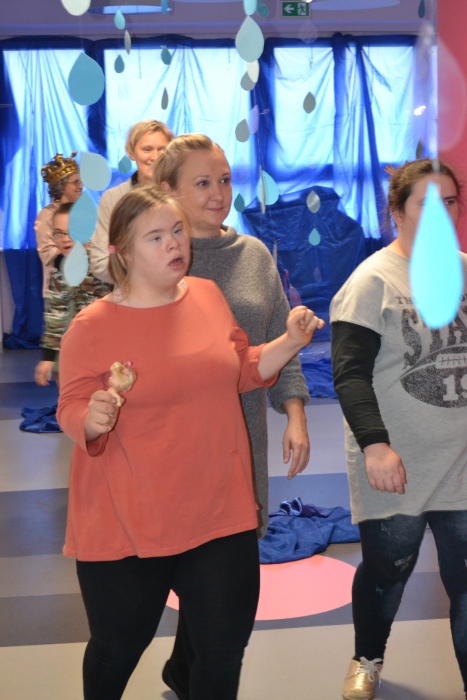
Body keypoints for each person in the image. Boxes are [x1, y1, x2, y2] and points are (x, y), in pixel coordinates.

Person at [56, 186, 324, 700]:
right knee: (116, 650)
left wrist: (290, 341)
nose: (175, 244)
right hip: (127, 520)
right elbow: (70, 405)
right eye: (155, 237)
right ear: (121, 252)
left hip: (219, 512)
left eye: (177, 231)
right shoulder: (91, 327)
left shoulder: (206, 295)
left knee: (221, 653)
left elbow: (241, 369)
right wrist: (90, 419)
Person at [151, 132, 313, 697]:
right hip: (173, 448)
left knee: (224, 586)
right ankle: (186, 670)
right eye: (202, 183)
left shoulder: (254, 255)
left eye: (224, 180)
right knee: (196, 575)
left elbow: (281, 338)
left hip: (242, 441)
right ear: (167, 189)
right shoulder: (157, 258)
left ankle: (186, 671)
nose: (219, 193)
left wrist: (294, 413)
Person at [330, 158, 467, 700]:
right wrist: (376, 445)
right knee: (388, 571)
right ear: (397, 212)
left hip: (461, 461)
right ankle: (367, 656)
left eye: (450, 202)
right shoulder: (372, 281)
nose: (442, 214)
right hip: (396, 462)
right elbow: (349, 374)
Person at [34, 202, 112, 389]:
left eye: (72, 232)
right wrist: (48, 358)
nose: (65, 239)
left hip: (108, 340)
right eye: (59, 233)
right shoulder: (61, 266)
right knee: (68, 386)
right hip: (77, 339)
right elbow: (56, 312)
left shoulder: (103, 261)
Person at [90, 119, 174, 282]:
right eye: (147, 149)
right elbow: (100, 263)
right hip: (131, 294)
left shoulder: (183, 195)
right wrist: (151, 274)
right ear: (131, 152)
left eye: (162, 149)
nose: (155, 157)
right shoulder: (113, 199)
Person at [35, 151, 83, 295]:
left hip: (87, 288)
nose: (81, 186)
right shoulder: (47, 215)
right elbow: (47, 253)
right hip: (60, 289)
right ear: (61, 186)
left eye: (81, 181)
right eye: (76, 182)